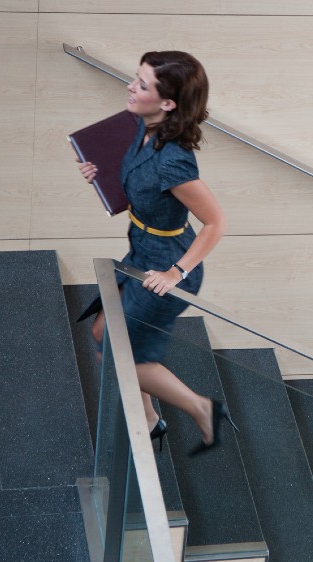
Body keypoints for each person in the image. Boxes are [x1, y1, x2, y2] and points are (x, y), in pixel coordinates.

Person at [78, 51, 232, 453]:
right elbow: (141, 187)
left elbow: (216, 223)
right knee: (102, 331)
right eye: (136, 78)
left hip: (167, 265)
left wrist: (175, 274)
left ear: (168, 104)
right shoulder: (142, 128)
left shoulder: (175, 161)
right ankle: (149, 419)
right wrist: (103, 177)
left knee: (116, 351)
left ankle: (202, 408)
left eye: (142, 85)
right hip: (142, 248)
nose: (131, 87)